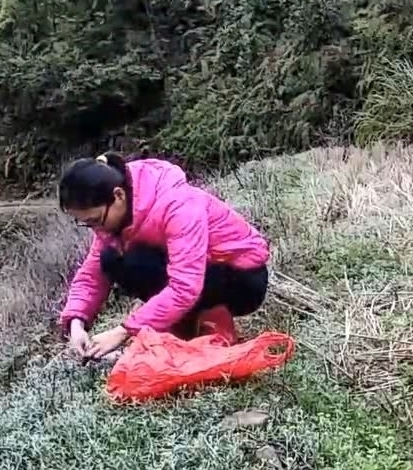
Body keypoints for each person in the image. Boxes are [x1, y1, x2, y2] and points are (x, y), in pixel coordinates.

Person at [57, 151, 270, 359]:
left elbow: (185, 287)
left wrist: (123, 331)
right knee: (113, 260)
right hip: (202, 274)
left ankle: (214, 324)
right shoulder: (115, 219)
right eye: (86, 223)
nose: (96, 228)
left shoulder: (177, 205)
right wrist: (77, 322)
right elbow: (92, 275)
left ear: (118, 195)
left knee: (138, 262)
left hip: (242, 278)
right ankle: (182, 328)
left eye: (96, 220)